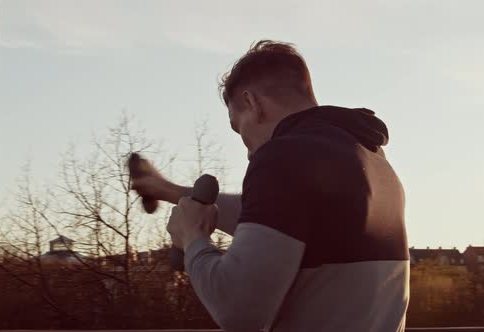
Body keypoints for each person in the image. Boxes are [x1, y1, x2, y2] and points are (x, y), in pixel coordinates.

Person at [131, 40, 409, 332]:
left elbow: (238, 311)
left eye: (238, 127)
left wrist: (192, 240)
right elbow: (277, 219)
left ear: (253, 103)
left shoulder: (281, 157)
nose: (248, 151)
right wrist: (172, 192)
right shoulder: (371, 158)